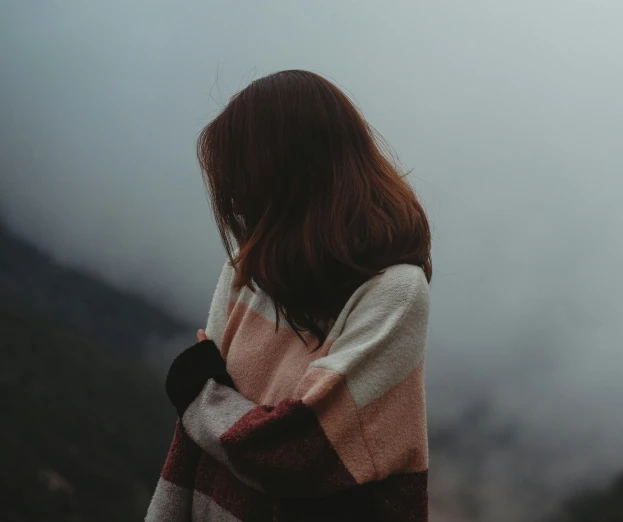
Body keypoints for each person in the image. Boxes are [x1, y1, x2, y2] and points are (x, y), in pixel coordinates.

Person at [146, 70, 433, 522]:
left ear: (289, 172)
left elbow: (305, 449)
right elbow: (193, 446)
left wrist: (200, 395)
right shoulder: (246, 271)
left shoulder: (394, 290)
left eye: (242, 176)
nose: (236, 200)